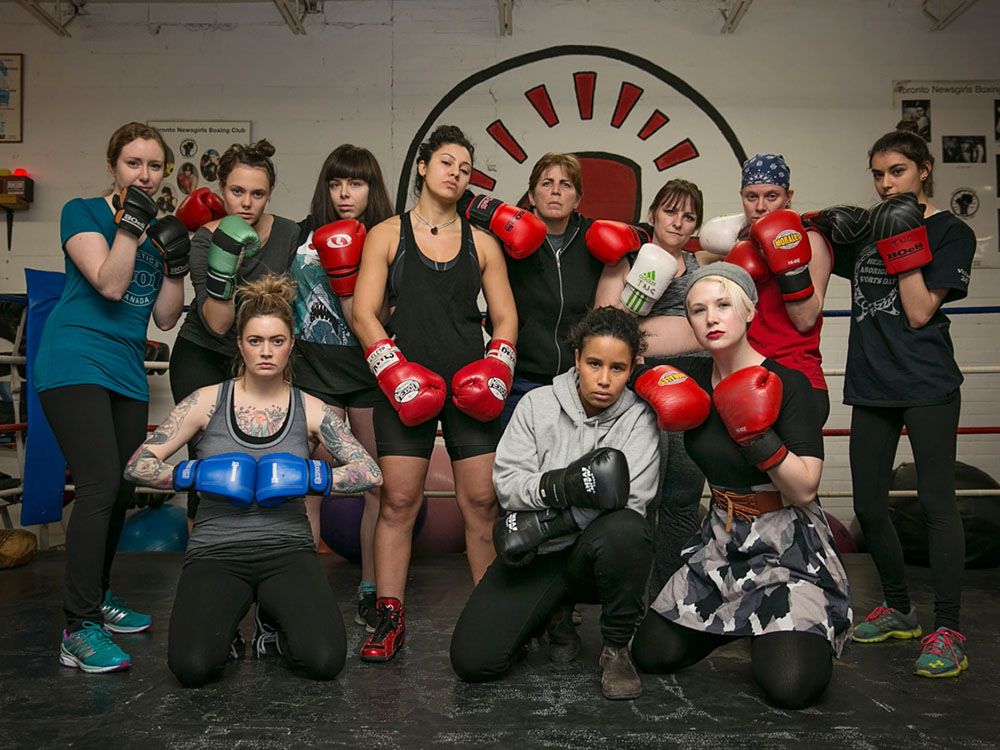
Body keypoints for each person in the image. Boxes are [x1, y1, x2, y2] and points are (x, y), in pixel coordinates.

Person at [123, 274, 382, 687]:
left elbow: (370, 472)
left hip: (287, 549)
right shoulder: (206, 401)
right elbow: (138, 465)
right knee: (192, 668)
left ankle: (273, 630)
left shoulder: (311, 408)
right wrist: (191, 474)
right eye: (256, 341)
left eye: (276, 341)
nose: (266, 351)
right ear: (240, 344)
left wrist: (313, 478)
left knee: (325, 660)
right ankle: (226, 632)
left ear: (291, 344)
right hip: (217, 550)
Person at [631, 263, 851, 710]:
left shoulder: (787, 382)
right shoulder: (688, 381)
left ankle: (784, 627)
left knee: (791, 687)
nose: (711, 318)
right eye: (698, 310)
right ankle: (742, 624)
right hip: (722, 542)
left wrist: (756, 437)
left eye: (723, 305)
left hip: (786, 546)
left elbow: (806, 488)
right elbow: (625, 350)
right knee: (650, 654)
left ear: (749, 311)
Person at [352, 124, 518, 662]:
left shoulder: (484, 242)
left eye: (465, 168)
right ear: (423, 167)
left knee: (481, 502)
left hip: (471, 384)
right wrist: (391, 369)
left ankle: (490, 618)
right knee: (398, 502)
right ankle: (388, 618)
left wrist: (496, 367)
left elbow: (506, 317)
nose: (456, 173)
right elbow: (363, 313)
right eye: (447, 162)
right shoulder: (385, 234)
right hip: (404, 381)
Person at [35, 121, 186, 673]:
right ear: (113, 166)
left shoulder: (159, 226)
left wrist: (176, 262)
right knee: (99, 484)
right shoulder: (83, 212)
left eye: (153, 165)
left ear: (164, 171)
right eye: (132, 164)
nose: (143, 174)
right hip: (74, 357)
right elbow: (110, 284)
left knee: (123, 487)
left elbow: (166, 317)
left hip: (125, 367)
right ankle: (77, 628)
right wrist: (130, 227)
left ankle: (97, 599)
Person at [450, 306, 660, 700]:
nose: (603, 379)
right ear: (576, 358)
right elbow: (508, 485)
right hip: (539, 554)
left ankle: (616, 647)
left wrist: (549, 521)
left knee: (627, 531)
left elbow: (631, 500)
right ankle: (551, 615)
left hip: (592, 553)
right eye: (594, 363)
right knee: (473, 661)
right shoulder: (536, 405)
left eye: (617, 368)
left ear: (633, 368)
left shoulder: (639, 419)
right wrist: (563, 486)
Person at [840, 130, 975, 678]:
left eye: (896, 171)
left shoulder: (951, 232)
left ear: (924, 169)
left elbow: (919, 311)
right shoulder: (869, 228)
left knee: (937, 503)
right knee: (870, 505)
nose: (885, 183)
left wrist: (903, 244)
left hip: (926, 383)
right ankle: (898, 607)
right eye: (877, 173)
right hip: (872, 383)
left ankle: (948, 628)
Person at [290, 144, 394, 632]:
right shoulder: (300, 236)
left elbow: (392, 313)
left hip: (370, 373)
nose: (344, 193)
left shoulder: (389, 238)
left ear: (371, 188)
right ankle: (302, 590)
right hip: (315, 374)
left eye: (355, 183)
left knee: (375, 482)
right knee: (307, 486)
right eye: (335, 183)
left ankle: (372, 590)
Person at [169, 139, 300, 520]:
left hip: (261, 359)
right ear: (221, 190)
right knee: (209, 469)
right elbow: (217, 322)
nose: (246, 203)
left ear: (269, 194)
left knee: (268, 462)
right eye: (237, 191)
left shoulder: (289, 234)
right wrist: (223, 262)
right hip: (204, 355)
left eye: (257, 194)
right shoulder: (205, 240)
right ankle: (203, 559)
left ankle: (262, 551)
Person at [594, 178, 710, 589]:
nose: (678, 222)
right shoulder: (624, 261)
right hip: (645, 390)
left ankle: (668, 596)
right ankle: (631, 600)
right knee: (644, 498)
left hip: (696, 389)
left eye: (689, 215)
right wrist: (640, 292)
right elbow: (604, 325)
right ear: (653, 214)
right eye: (671, 211)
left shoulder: (701, 264)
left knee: (683, 498)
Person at [699, 153, 834, 423]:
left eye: (771, 196)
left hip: (796, 377)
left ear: (788, 197)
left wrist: (788, 264)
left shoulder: (811, 241)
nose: (760, 206)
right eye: (751, 197)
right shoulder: (737, 247)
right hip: (741, 376)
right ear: (742, 197)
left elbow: (806, 320)